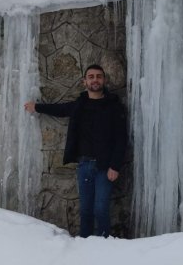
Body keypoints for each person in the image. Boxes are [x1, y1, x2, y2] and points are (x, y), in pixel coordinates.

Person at [24, 64, 127, 238]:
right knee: (86, 210)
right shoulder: (80, 104)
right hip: (84, 164)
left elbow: (121, 139)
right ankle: (84, 245)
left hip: (105, 167)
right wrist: (37, 107)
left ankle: (106, 246)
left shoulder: (113, 106)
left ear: (104, 80)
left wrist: (115, 166)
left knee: (100, 209)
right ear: (84, 82)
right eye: (91, 77)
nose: (95, 80)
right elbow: (60, 109)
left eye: (99, 76)